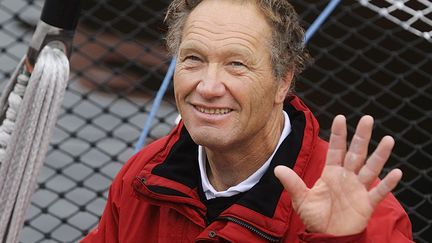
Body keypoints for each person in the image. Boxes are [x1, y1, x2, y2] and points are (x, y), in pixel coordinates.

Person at [81, 0, 413, 242]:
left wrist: (344, 240)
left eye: (236, 64)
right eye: (194, 59)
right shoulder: (140, 178)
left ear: (283, 80)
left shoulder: (362, 209)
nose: (208, 87)